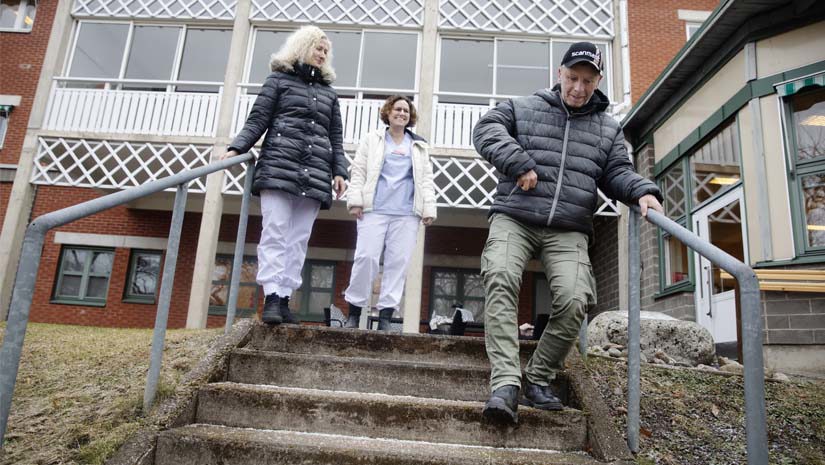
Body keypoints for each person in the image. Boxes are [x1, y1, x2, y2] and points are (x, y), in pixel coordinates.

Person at [472, 42, 663, 424]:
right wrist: (518, 162)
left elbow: (616, 174)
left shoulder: (607, 130)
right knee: (500, 275)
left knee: (576, 299)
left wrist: (642, 190)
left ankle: (539, 376)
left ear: (599, 81)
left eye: (587, 81)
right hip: (516, 215)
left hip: (569, 227)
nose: (578, 87)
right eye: (573, 78)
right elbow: (485, 130)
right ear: (559, 74)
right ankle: (506, 383)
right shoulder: (522, 107)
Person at [221, 26, 347, 325]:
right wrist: (236, 147)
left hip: (315, 172)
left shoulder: (329, 94)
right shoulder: (277, 81)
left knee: (299, 238)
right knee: (276, 231)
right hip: (279, 164)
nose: (322, 54)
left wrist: (339, 171)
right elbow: (259, 119)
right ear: (302, 47)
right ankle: (272, 298)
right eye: (318, 48)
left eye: (325, 51)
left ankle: (286, 298)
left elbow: (335, 137)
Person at [343, 95, 437, 331]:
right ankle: (354, 311)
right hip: (373, 210)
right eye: (397, 109)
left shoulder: (418, 145)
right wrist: (355, 201)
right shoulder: (372, 140)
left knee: (398, 263)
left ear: (410, 116)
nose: (402, 113)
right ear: (388, 112)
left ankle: (385, 316)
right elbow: (359, 171)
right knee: (366, 258)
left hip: (406, 214)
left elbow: (426, 180)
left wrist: (428, 208)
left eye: (406, 110)